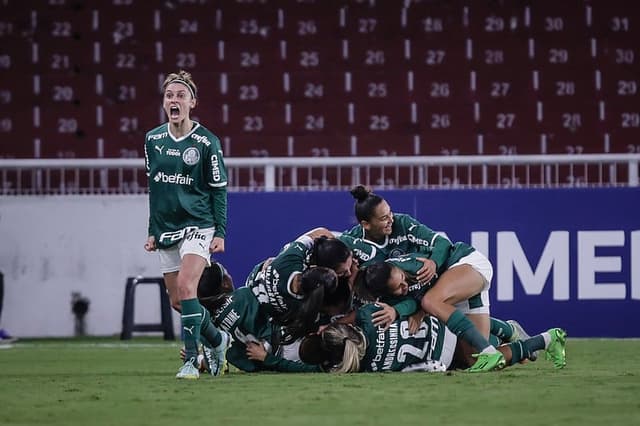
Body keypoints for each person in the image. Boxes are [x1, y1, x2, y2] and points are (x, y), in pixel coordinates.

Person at [341, 185, 505, 372]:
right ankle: (528, 339)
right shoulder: (353, 242)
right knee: (471, 360)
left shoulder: (404, 229)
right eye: (384, 218)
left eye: (390, 213)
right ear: (366, 224)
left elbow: (441, 243)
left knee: (430, 302)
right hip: (436, 286)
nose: (391, 220)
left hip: (456, 267)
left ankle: (490, 349)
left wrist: (433, 263)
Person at [143, 70, 230, 379]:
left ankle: (191, 362)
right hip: (167, 227)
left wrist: (219, 232)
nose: (174, 100)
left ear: (193, 102)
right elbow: (155, 189)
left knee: (186, 285)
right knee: (179, 302)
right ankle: (219, 341)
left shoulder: (207, 142)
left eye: (181, 95)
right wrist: (152, 230)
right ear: (165, 102)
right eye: (170, 95)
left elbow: (219, 189)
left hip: (198, 224)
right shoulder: (152, 140)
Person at [299, 303, 567, 373]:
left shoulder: (362, 366)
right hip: (444, 327)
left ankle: (541, 339)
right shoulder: (369, 316)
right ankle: (518, 333)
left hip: (443, 354)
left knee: (484, 358)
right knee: (486, 348)